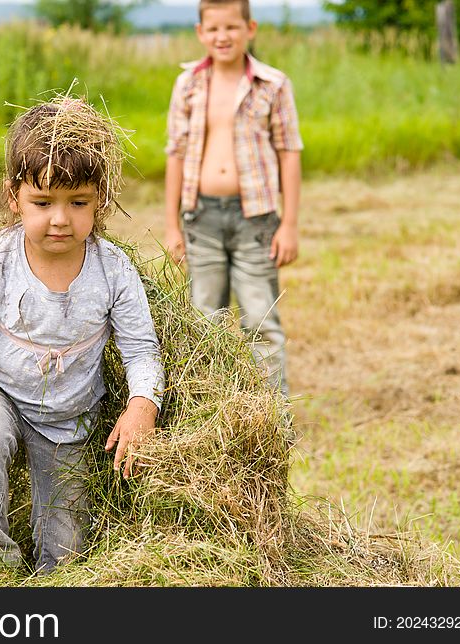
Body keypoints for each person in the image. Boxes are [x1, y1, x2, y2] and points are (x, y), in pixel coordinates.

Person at [0, 97, 165, 573]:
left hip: (70, 418)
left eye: (77, 203)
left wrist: (143, 406)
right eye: (42, 203)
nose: (60, 219)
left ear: (100, 199)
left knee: (66, 557)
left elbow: (141, 349)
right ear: (13, 197)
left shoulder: (113, 271)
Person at [164, 0, 303, 397]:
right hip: (201, 217)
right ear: (200, 33)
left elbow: (289, 153)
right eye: (213, 29)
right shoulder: (188, 84)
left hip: (255, 220)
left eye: (231, 28)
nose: (222, 37)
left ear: (250, 29)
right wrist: (172, 224)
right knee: (203, 323)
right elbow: (175, 152)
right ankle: (206, 421)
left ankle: (274, 424)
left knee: (261, 323)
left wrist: (289, 225)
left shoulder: (273, 84)